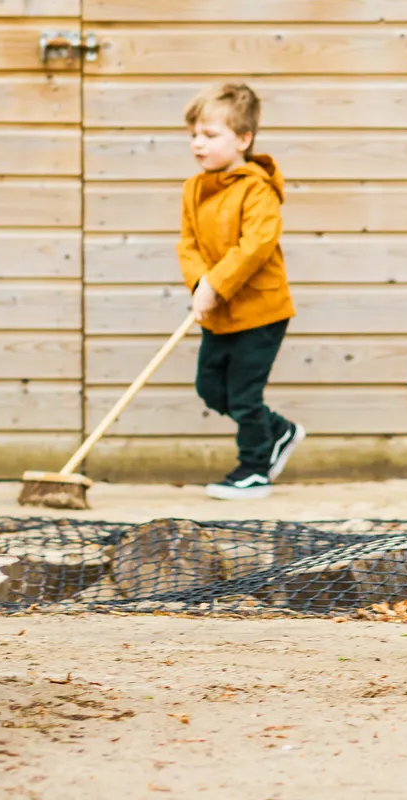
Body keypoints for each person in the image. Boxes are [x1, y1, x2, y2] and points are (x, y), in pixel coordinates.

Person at [177, 82, 304, 500]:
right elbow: (189, 243)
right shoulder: (194, 189)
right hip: (217, 312)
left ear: (244, 139)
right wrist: (200, 284)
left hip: (261, 313)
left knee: (245, 395)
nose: (198, 144)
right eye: (194, 134)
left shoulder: (257, 188)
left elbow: (256, 246)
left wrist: (216, 283)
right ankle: (279, 432)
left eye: (210, 135)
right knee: (211, 388)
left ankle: (254, 468)